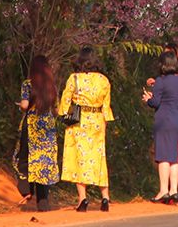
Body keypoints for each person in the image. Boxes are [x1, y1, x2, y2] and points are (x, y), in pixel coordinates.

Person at [59, 46, 114, 212]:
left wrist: (62, 114)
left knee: (79, 159)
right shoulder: (104, 80)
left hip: (79, 121)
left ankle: (83, 199)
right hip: (97, 121)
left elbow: (65, 102)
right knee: (99, 158)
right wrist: (104, 124)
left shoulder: (74, 78)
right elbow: (106, 106)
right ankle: (105, 198)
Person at [14, 55, 60, 211]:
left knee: (26, 158)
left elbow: (25, 106)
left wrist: (21, 104)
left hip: (32, 125)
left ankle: (27, 190)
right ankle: (43, 201)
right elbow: (56, 110)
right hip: (47, 127)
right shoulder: (52, 87)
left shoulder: (28, 84)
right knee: (44, 162)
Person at [143, 51, 178, 204]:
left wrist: (148, 99)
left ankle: (163, 190)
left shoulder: (160, 81)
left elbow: (155, 103)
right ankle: (174, 190)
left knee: (162, 156)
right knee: (173, 157)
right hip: (175, 119)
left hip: (163, 119)